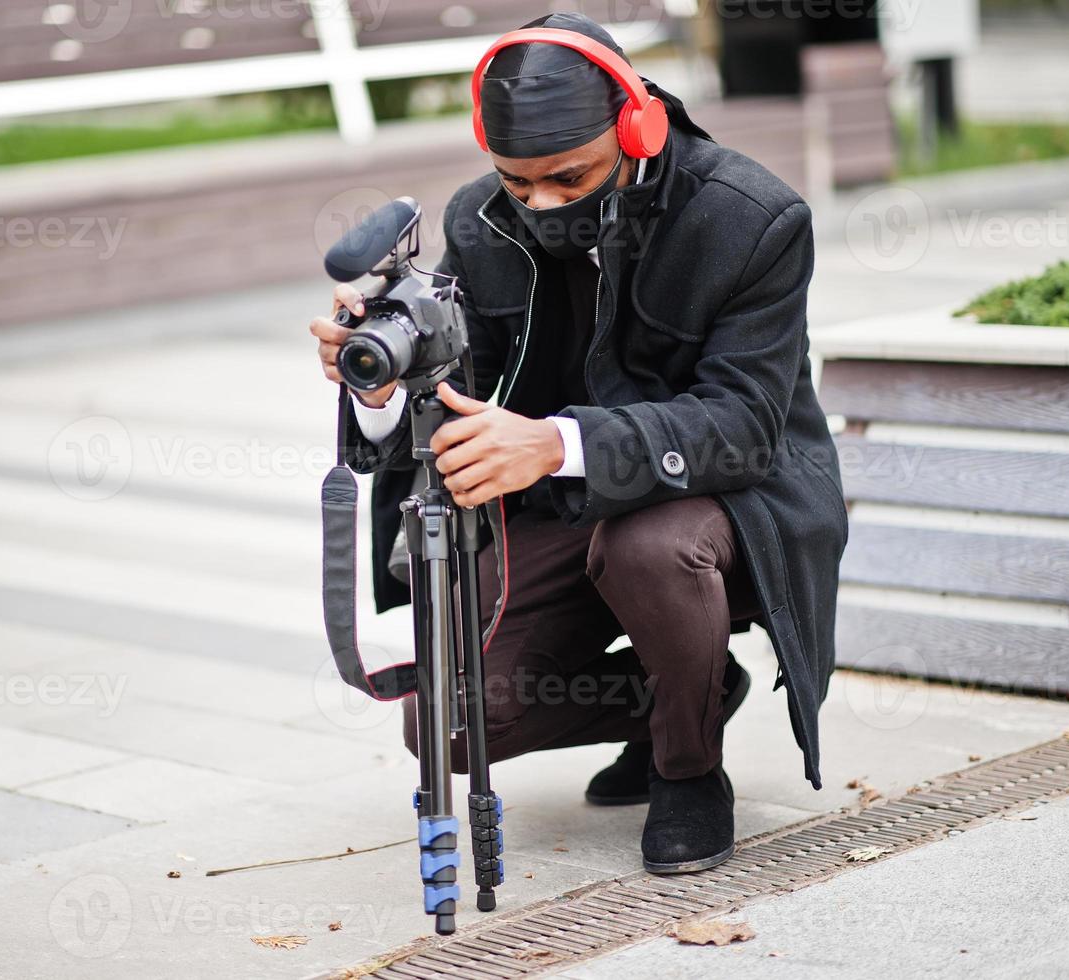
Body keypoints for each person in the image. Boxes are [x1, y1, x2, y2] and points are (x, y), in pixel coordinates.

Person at [308, 12, 847, 874]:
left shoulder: (753, 219)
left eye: (568, 176)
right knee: (445, 722)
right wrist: (380, 390)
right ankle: (683, 693)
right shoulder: (481, 222)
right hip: (559, 511)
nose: (541, 202)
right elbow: (462, 391)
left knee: (647, 545)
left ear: (637, 125)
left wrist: (556, 445)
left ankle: (687, 765)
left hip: (731, 505)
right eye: (516, 182)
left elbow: (744, 428)